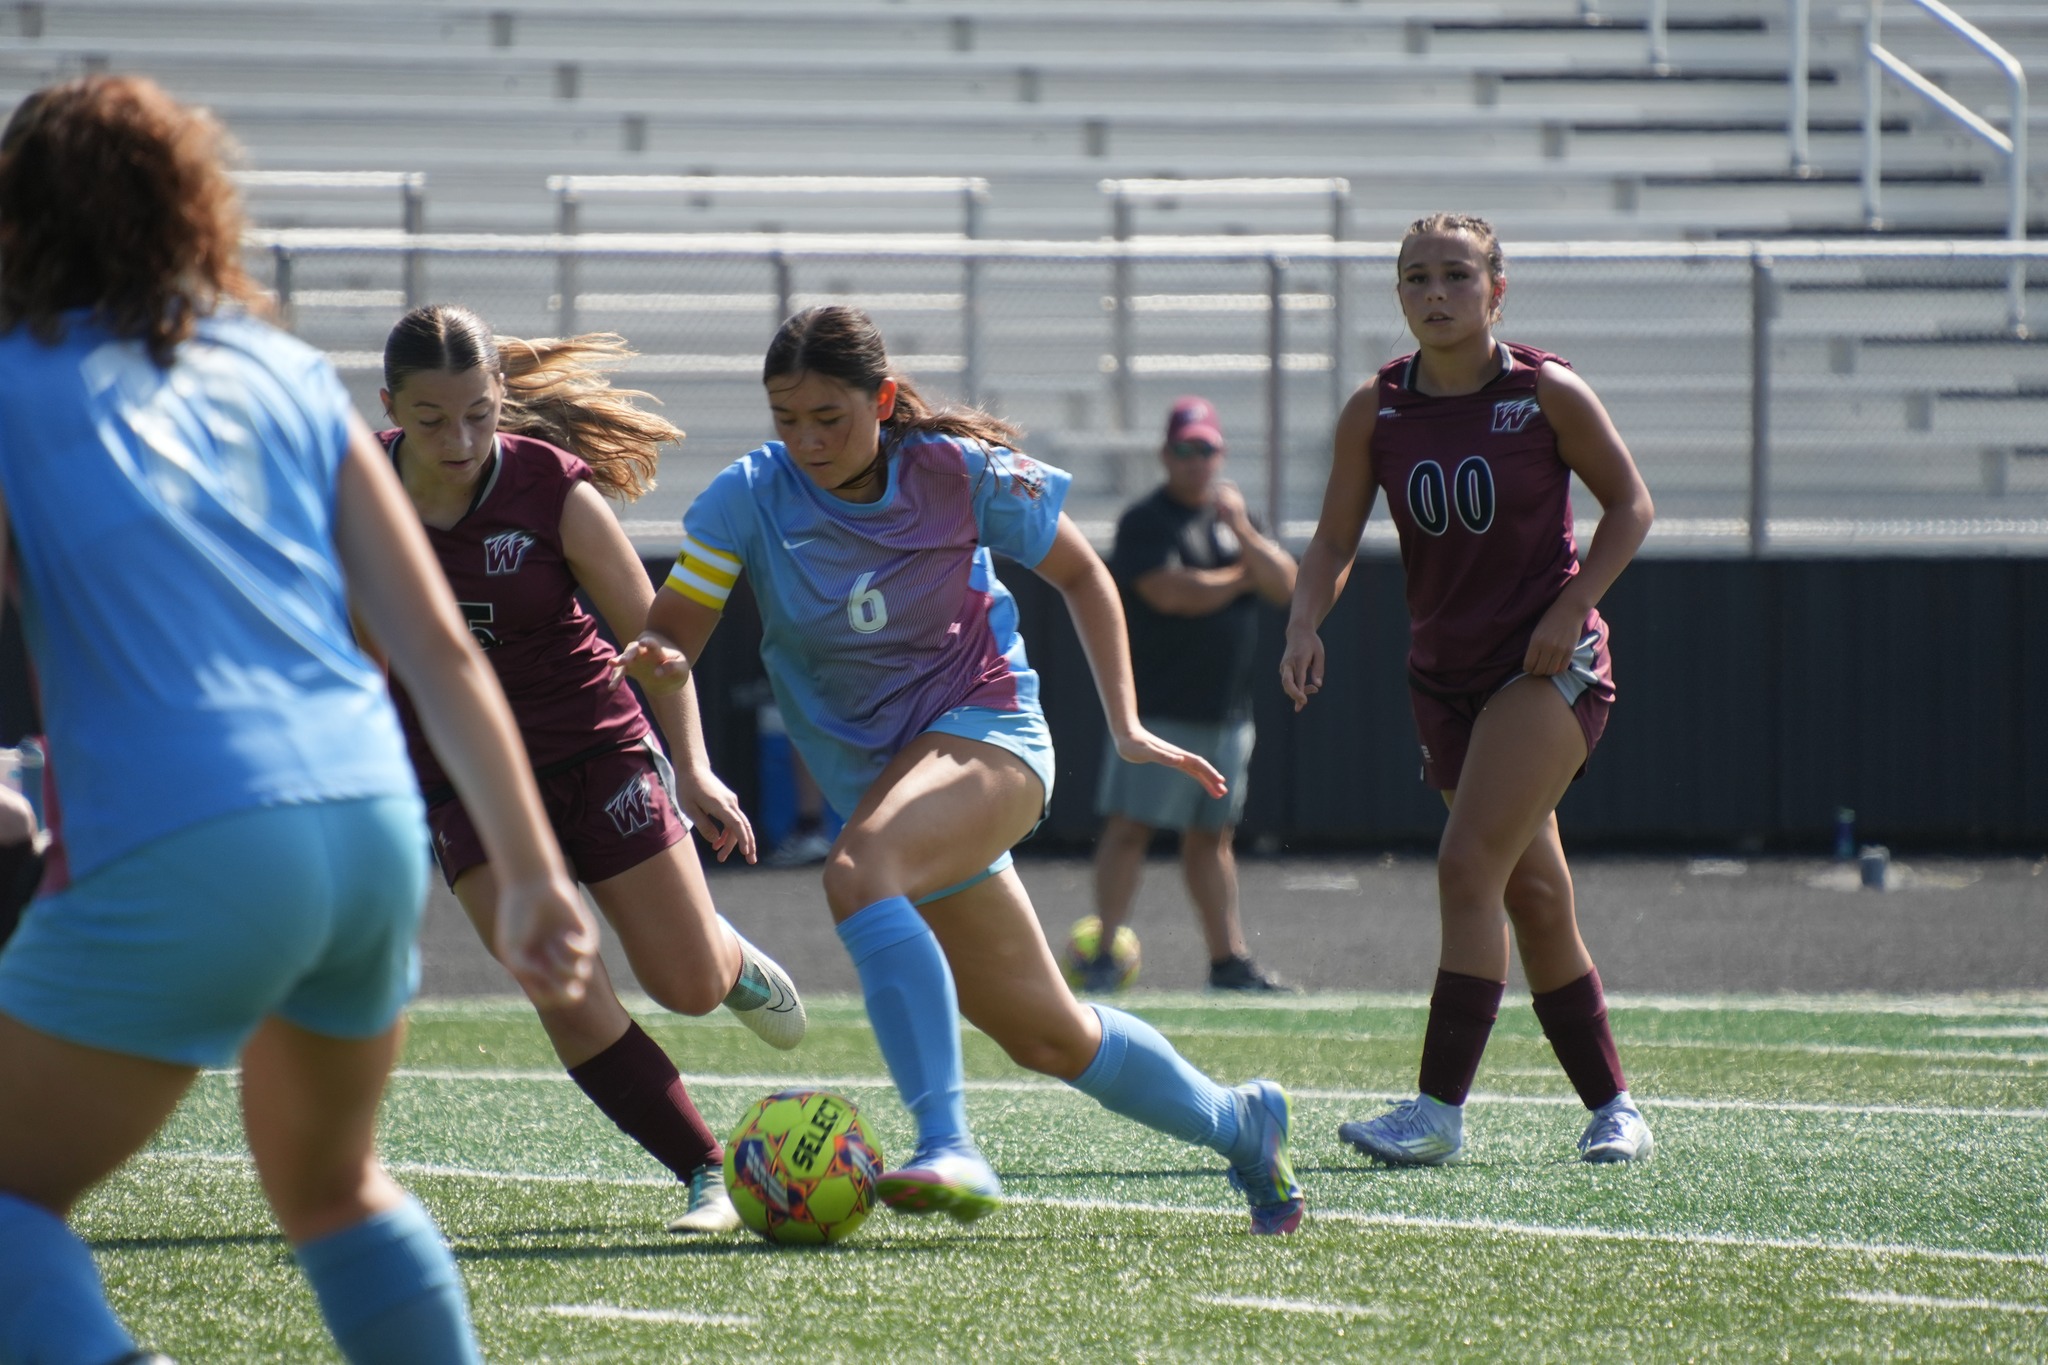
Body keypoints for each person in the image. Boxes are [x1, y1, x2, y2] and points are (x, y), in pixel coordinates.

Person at [0, 75, 598, 1365]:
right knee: (334, 1191)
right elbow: (438, 646)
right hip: (371, 826)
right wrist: (535, 875)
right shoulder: (280, 372)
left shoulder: (12, 380)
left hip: (187, 832)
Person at [618, 305, 1306, 1234]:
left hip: (991, 733)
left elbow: (1085, 576)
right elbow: (671, 639)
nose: (807, 440)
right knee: (1046, 1031)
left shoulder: (956, 471)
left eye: (830, 417)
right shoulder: (751, 495)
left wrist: (1128, 725)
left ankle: (948, 1143)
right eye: (787, 419)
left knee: (859, 871)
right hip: (893, 789)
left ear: (885, 399)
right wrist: (681, 730)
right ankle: (1241, 1122)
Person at [377, 303, 807, 1235]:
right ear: (389, 407)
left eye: (479, 415)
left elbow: (658, 641)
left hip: (594, 746)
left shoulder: (551, 491)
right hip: (466, 779)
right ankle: (705, 1169)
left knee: (685, 985)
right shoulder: (351, 495)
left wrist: (692, 767)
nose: (459, 442)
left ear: (501, 400)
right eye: (430, 419)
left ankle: (725, 958)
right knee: (558, 976)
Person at [1280, 213, 1657, 1167]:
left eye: (1456, 275)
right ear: (1399, 295)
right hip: (1441, 677)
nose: (1435, 294)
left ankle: (1438, 1110)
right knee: (1532, 894)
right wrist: (1302, 620)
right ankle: (1615, 1105)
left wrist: (1572, 608)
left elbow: (1631, 504)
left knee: (1464, 867)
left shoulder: (1545, 393)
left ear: (1497, 288)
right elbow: (1332, 540)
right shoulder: (1378, 407)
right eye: (1416, 278)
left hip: (1542, 668)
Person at [1086, 395, 1298, 994]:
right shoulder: (1146, 521)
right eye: (1184, 450)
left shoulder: (1234, 518)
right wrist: (1241, 577)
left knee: (1212, 838)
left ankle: (1227, 961)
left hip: (1226, 714)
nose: (1196, 461)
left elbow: (1283, 585)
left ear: (1220, 453)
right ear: (1165, 454)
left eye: (1205, 449)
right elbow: (1170, 593)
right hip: (1157, 713)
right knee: (1130, 828)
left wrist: (1241, 532)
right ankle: (1103, 953)